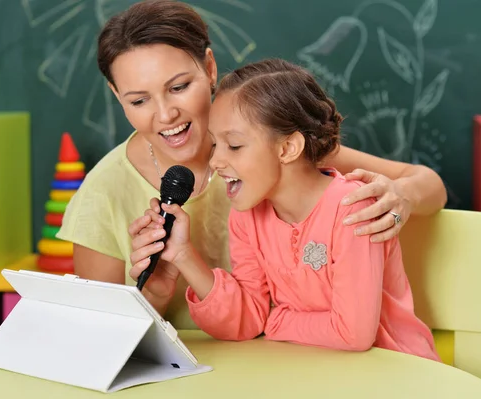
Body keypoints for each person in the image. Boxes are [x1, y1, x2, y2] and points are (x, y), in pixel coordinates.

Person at [56, 0, 447, 329]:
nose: (165, 115)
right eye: (138, 101)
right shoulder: (104, 192)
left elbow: (428, 184)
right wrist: (153, 296)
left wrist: (401, 196)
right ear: (116, 94)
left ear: (209, 68)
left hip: (302, 357)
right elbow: (102, 335)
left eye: (178, 87)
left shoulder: (275, 148)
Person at [131, 57, 440, 361]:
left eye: (234, 145)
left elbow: (353, 334)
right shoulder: (246, 215)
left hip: (394, 369)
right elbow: (248, 321)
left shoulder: (351, 209)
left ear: (288, 148)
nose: (215, 161)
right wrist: (184, 255)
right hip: (311, 368)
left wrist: (275, 320)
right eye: (215, 145)